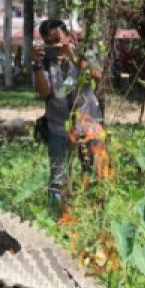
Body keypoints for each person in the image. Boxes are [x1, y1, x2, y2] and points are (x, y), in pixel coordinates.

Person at [32, 19, 106, 206]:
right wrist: (37, 64)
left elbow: (97, 75)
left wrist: (71, 55)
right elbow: (44, 92)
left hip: (89, 125)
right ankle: (58, 216)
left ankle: (96, 215)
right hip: (58, 129)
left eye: (57, 39)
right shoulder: (46, 63)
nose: (54, 45)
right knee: (58, 179)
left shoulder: (85, 53)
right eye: (48, 42)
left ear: (68, 36)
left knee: (96, 174)